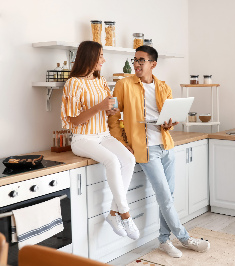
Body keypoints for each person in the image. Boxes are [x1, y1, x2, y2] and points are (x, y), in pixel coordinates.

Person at [108, 45, 210, 258]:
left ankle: (164, 240)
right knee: (164, 196)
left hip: (166, 146)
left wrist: (169, 124)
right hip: (145, 149)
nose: (137, 64)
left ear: (153, 64)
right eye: (135, 60)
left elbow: (169, 118)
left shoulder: (163, 87)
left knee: (168, 197)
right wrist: (121, 142)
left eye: (141, 60)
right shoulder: (123, 85)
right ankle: (184, 238)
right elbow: (113, 117)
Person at [61, 41, 139, 240]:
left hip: (103, 135)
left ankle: (113, 214)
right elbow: (73, 120)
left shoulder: (100, 80)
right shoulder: (73, 83)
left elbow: (108, 107)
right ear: (90, 57)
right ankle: (125, 214)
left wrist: (113, 109)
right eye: (100, 56)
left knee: (129, 159)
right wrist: (99, 107)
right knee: (112, 161)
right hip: (82, 138)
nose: (104, 59)